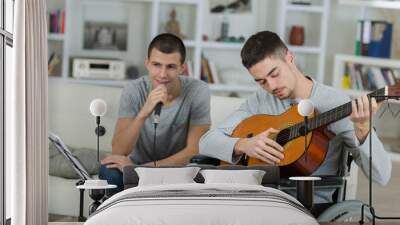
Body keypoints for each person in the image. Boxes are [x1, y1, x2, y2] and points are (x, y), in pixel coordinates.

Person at [199, 31, 391, 202]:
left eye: (275, 74)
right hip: (257, 197)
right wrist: (243, 145)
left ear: (290, 58)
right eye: (261, 81)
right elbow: (206, 142)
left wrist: (364, 131)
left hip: (307, 203)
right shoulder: (260, 100)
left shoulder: (336, 103)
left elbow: (382, 176)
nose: (271, 87)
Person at [100, 33, 211, 193]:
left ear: (182, 68)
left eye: (171, 67)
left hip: (176, 169)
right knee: (108, 169)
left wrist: (142, 169)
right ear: (147, 64)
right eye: (157, 65)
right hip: (135, 166)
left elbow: (193, 151)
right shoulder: (133, 90)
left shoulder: (198, 91)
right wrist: (144, 112)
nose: (163, 74)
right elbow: (119, 150)